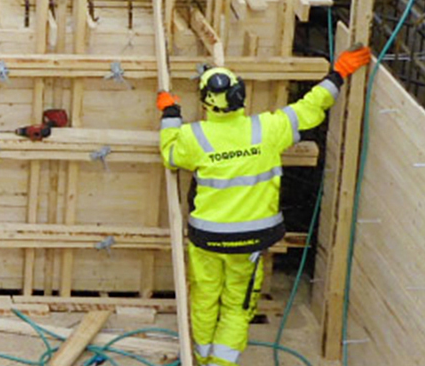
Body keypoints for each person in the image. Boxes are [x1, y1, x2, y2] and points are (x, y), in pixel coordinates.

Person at [158, 47, 372, 366]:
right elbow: (311, 107)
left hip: (207, 240)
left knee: (203, 299)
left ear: (205, 103)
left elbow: (171, 156)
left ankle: (201, 360)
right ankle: (220, 363)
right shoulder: (267, 129)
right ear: (240, 96)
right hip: (251, 241)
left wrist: (170, 114)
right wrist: (338, 73)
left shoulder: (194, 137)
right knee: (237, 304)